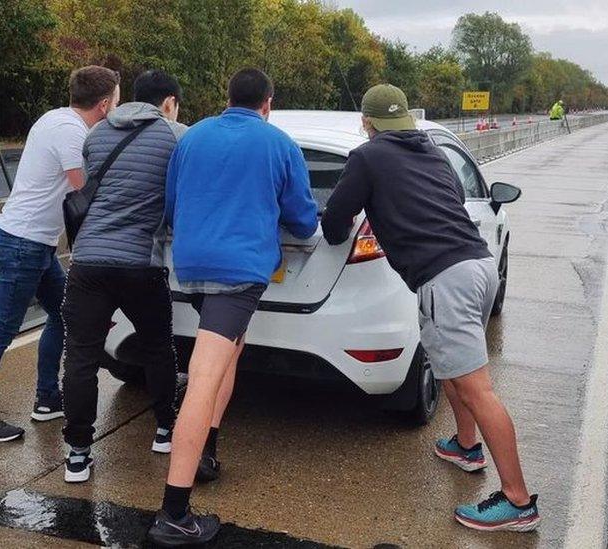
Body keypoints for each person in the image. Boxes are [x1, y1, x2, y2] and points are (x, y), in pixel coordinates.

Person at [321, 84, 540, 532]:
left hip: (445, 279)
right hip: (479, 266)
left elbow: (335, 221)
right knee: (453, 368)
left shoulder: (366, 157)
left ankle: (518, 502)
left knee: (477, 388)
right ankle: (465, 445)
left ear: (368, 123)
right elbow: (454, 201)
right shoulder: (432, 150)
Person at [147, 68, 318, 545]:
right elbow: (303, 221)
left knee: (228, 355)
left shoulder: (194, 136)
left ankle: (208, 451)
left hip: (193, 262)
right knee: (203, 375)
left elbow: (172, 203)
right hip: (237, 274)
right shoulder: (278, 144)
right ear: (268, 103)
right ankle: (174, 514)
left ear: (228, 97)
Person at [0, 66, 120, 442]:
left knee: (63, 315)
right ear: (104, 104)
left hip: (33, 243)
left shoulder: (55, 118)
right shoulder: (71, 134)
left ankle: (47, 399)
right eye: (117, 98)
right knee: (0, 330)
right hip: (22, 244)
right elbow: (85, 193)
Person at [60, 70, 187, 483]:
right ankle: (165, 430)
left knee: (80, 356)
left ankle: (77, 455)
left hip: (89, 262)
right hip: (140, 263)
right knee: (157, 347)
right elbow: (175, 198)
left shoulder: (96, 135)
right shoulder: (173, 137)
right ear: (167, 103)